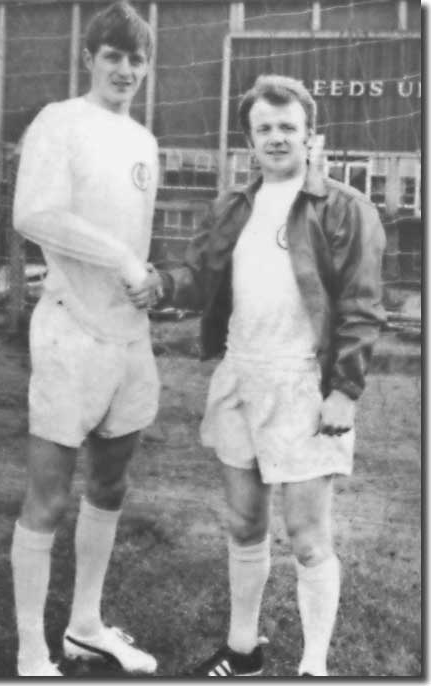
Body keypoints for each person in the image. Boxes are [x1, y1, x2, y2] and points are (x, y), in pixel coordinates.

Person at [131, 75, 386, 677]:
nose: (277, 138)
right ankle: (243, 650)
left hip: (304, 383)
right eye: (265, 128)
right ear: (250, 140)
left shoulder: (345, 208)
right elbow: (201, 275)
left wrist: (344, 390)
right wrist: (164, 284)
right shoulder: (232, 207)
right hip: (241, 376)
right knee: (245, 524)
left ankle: (314, 667)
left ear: (310, 135)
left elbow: (362, 308)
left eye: (287, 127)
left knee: (306, 536)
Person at [11, 1, 162, 677]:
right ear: (90, 58)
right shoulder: (58, 122)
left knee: (111, 483)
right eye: (113, 56)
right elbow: (34, 213)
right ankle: (30, 651)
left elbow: (138, 243)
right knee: (47, 493)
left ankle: (84, 626)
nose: (125, 69)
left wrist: (148, 277)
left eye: (136, 59)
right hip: (70, 331)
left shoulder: (145, 141)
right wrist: (123, 262)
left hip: (130, 340)